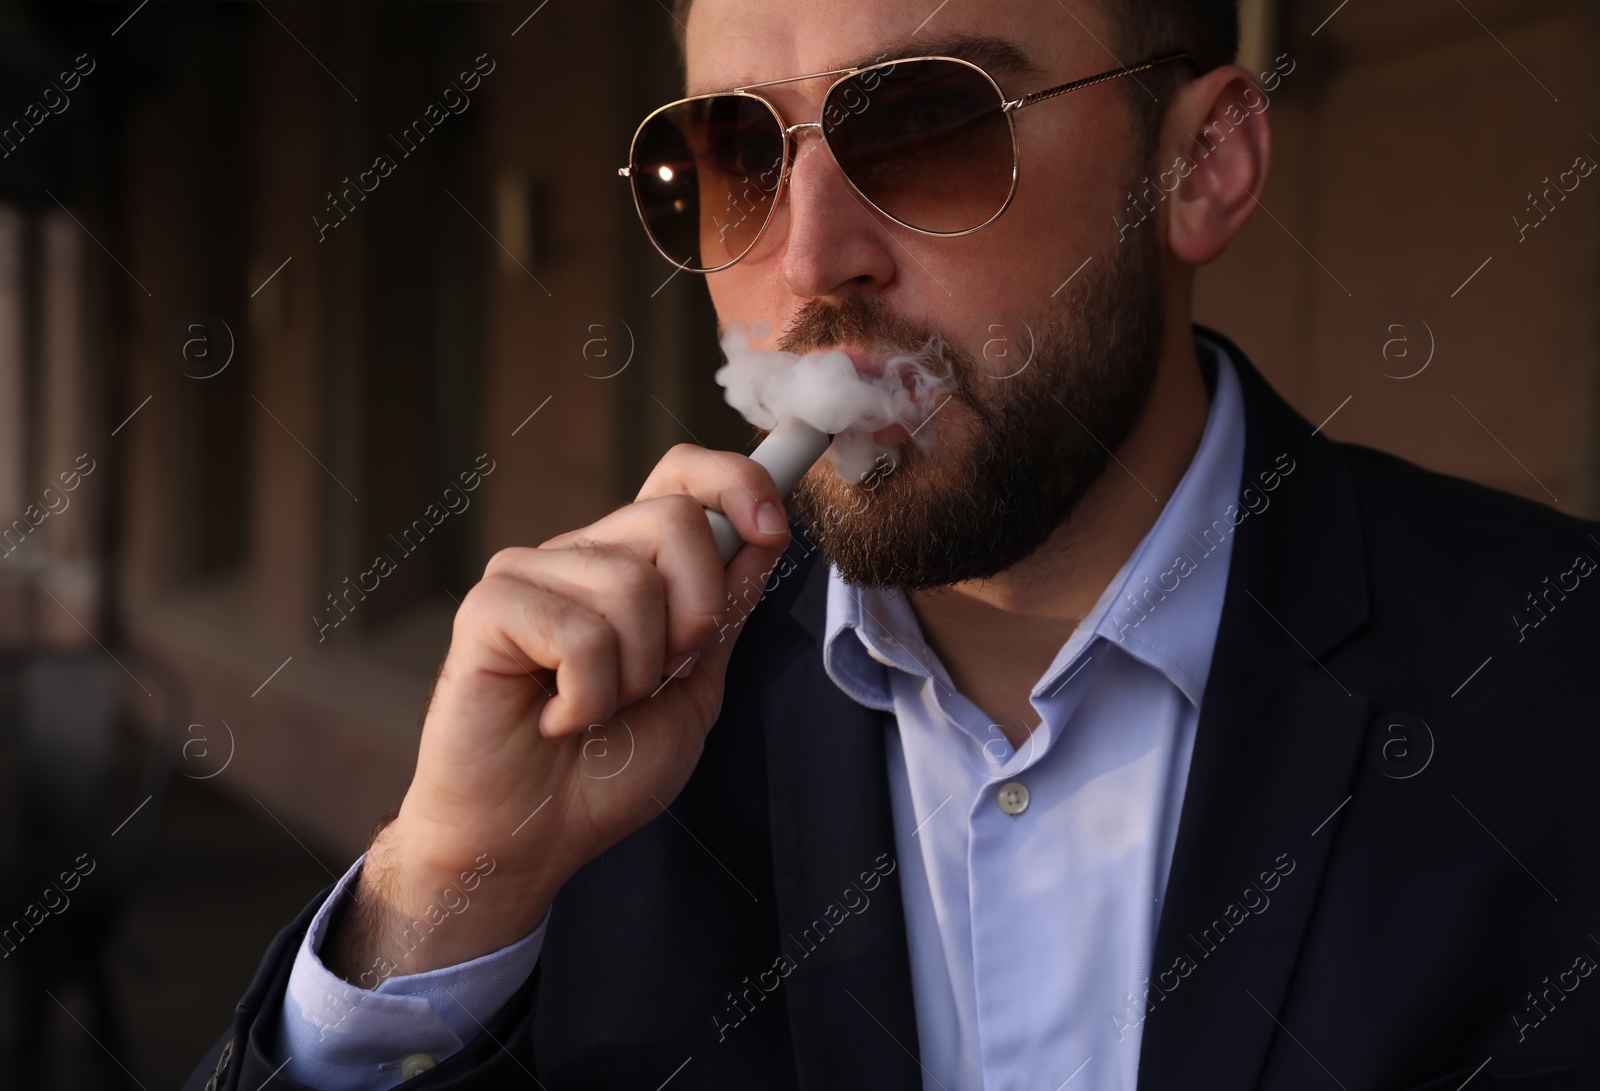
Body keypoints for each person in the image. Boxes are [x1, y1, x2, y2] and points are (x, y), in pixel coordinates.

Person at [186, 1, 1600, 1088]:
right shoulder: (602, 759)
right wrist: (440, 896)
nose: (809, 263)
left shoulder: (1550, 685)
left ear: (1203, 166)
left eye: (928, 126)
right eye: (732, 157)